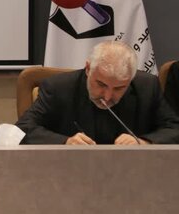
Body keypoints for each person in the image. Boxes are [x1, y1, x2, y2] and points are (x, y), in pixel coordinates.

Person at [16, 41, 179, 144]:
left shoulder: (147, 86)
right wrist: (66, 142)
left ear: (131, 79)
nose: (107, 96)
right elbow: (22, 128)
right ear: (88, 69)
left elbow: (174, 129)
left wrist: (144, 142)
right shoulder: (59, 87)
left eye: (119, 88)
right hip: (69, 173)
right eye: (101, 84)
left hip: (131, 173)